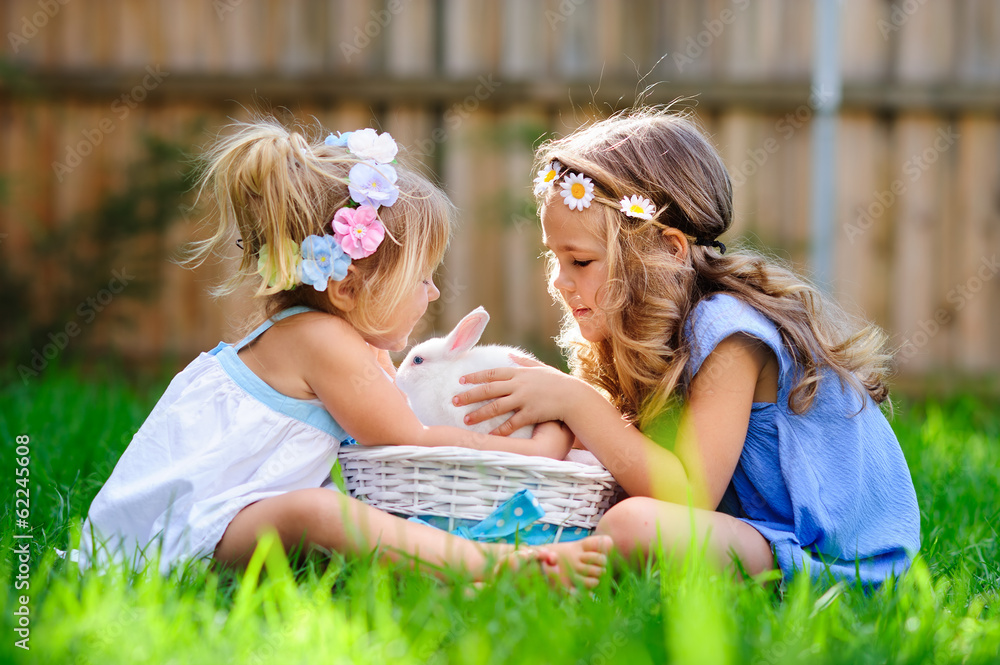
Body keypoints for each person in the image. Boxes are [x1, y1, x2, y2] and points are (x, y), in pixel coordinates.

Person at [78, 119, 611, 587]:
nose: (433, 294)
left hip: (212, 520)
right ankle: (491, 563)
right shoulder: (323, 342)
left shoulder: (318, 336)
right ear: (348, 289)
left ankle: (446, 567)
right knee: (321, 513)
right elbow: (414, 438)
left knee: (323, 516)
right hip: (184, 535)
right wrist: (537, 453)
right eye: (421, 279)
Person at [455, 108, 920, 585]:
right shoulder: (640, 332)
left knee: (629, 525)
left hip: (835, 559)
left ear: (670, 250)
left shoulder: (728, 334)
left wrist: (578, 403)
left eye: (581, 260)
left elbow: (689, 496)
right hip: (756, 533)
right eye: (555, 257)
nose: (559, 280)